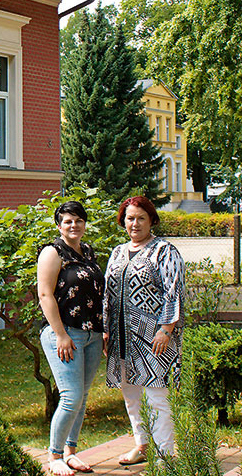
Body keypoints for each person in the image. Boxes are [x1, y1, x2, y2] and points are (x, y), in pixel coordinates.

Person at [103, 196, 184, 465]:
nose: (134, 223)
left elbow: (175, 291)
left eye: (140, 218)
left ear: (152, 220)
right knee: (131, 395)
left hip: (155, 339)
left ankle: (165, 453)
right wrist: (106, 330)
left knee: (157, 396)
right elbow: (107, 294)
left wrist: (166, 329)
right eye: (129, 218)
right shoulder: (117, 252)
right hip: (121, 339)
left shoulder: (164, 251)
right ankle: (142, 445)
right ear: (123, 221)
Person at [38, 201, 105, 476]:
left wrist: (104, 330)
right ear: (58, 225)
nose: (73, 225)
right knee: (71, 397)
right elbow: (45, 295)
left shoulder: (88, 251)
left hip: (92, 334)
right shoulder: (52, 253)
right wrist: (61, 335)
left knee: (83, 396)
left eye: (78, 220)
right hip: (64, 333)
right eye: (67, 221)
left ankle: (71, 452)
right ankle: (54, 456)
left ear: (84, 223)